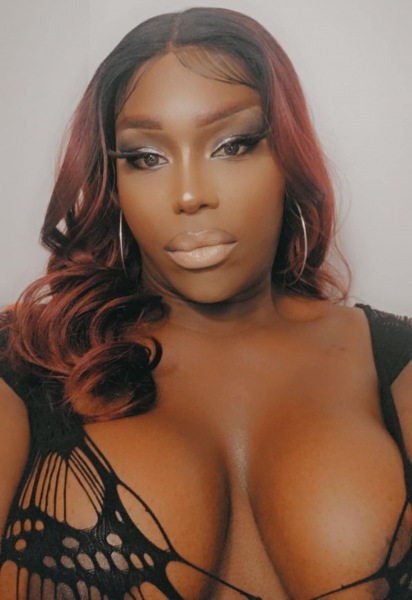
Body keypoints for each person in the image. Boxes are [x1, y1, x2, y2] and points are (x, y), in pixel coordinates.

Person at [0, 6, 411, 599]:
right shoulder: (24, 364)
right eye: (146, 157)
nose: (190, 195)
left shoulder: (397, 364)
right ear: (114, 183)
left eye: (233, 145)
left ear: (289, 156)